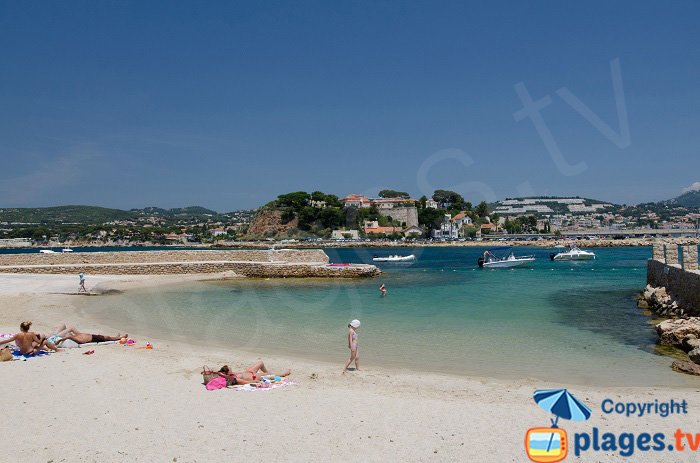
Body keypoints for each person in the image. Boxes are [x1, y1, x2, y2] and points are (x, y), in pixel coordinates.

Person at [216, 361, 291, 386]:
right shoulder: (235, 378)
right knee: (271, 374)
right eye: (229, 368)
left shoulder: (231, 374)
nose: (230, 367)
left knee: (260, 363)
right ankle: (284, 373)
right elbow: (246, 382)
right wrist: (256, 382)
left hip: (248, 372)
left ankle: (266, 372)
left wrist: (219, 373)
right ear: (228, 373)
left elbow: (219, 373)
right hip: (255, 376)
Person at [55, 330, 126, 346]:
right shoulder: (75, 339)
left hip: (92, 336)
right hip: (93, 339)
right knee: (107, 338)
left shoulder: (75, 336)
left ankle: (117, 337)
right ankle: (119, 338)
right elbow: (69, 336)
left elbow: (70, 334)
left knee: (107, 337)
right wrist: (59, 340)